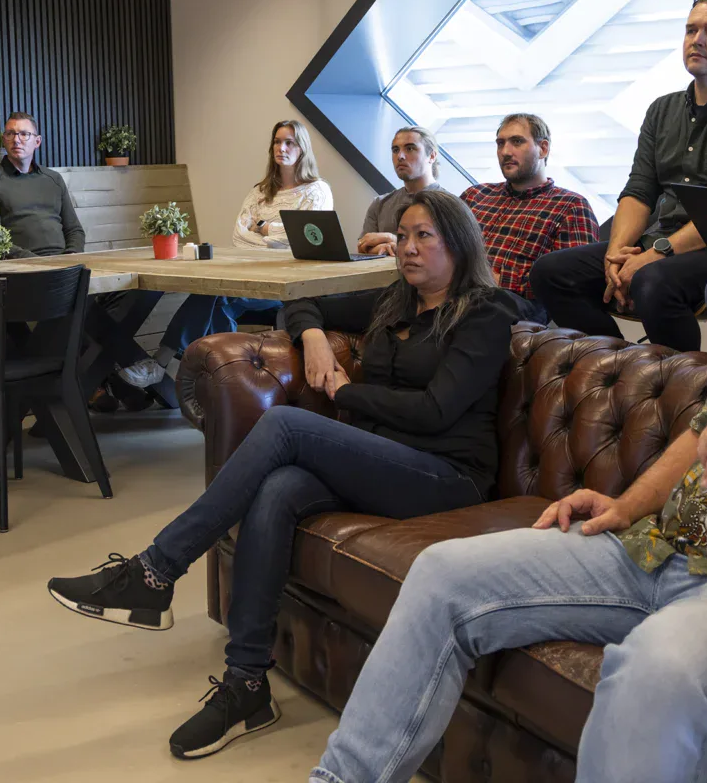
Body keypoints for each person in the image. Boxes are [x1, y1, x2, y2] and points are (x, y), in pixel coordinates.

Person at [310, 169, 707, 783]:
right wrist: (627, 505)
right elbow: (702, 431)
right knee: (442, 573)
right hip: (656, 545)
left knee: (656, 669)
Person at [47, 190, 521, 760]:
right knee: (277, 489)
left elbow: (438, 410)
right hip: (386, 458)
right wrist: (314, 335)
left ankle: (155, 571)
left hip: (448, 478)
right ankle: (247, 683)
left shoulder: (486, 312)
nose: (409, 248)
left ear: (459, 243)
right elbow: (300, 302)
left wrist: (349, 392)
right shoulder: (395, 300)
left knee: (287, 428)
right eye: (405, 235)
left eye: (426, 236)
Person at [530, 0, 707, 352]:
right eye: (691, 30)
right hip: (663, 240)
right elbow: (639, 190)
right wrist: (618, 253)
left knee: (652, 280)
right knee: (551, 273)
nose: (696, 40)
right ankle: (617, 364)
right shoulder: (662, 110)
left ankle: (680, 387)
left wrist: (655, 254)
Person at [117, 119, 333, 390]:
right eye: (277, 141)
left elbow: (304, 238)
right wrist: (274, 234)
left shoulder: (317, 191)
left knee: (213, 294)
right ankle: (223, 380)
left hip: (287, 284)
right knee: (212, 293)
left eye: (289, 142)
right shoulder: (259, 192)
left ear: (302, 149)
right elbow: (239, 235)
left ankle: (163, 364)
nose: (282, 148)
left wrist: (263, 228)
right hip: (247, 275)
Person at [460, 112, 598, 324]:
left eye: (517, 142)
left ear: (543, 148)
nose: (505, 152)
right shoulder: (476, 195)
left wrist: (498, 280)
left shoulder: (570, 206)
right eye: (500, 143)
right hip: (453, 293)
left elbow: (573, 284)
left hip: (511, 306)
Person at [0, 112, 85, 257]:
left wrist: (71, 255)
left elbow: (74, 230)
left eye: (24, 134)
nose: (16, 140)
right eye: (10, 134)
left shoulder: (53, 179)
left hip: (64, 262)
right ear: (4, 140)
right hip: (22, 266)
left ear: (37, 142)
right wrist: (36, 262)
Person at [357, 126, 445, 255]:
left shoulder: (449, 204)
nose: (400, 156)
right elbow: (363, 248)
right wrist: (389, 248)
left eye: (410, 148)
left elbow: (444, 252)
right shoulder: (379, 204)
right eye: (395, 150)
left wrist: (392, 239)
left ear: (431, 156)